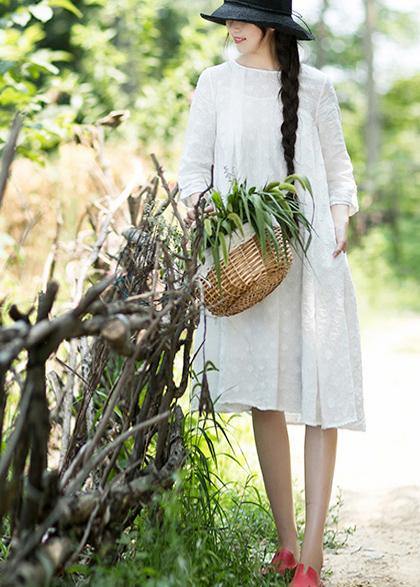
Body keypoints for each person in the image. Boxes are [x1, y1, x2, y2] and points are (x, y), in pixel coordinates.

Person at [176, 1, 366, 585]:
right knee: (266, 394)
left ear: (272, 28)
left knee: (320, 394)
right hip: (244, 258)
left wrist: (339, 221)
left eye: (242, 19)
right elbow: (192, 174)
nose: (231, 29)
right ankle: (285, 542)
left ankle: (312, 555)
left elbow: (338, 174)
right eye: (229, 18)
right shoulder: (215, 84)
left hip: (310, 259)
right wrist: (214, 216)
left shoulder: (316, 88)